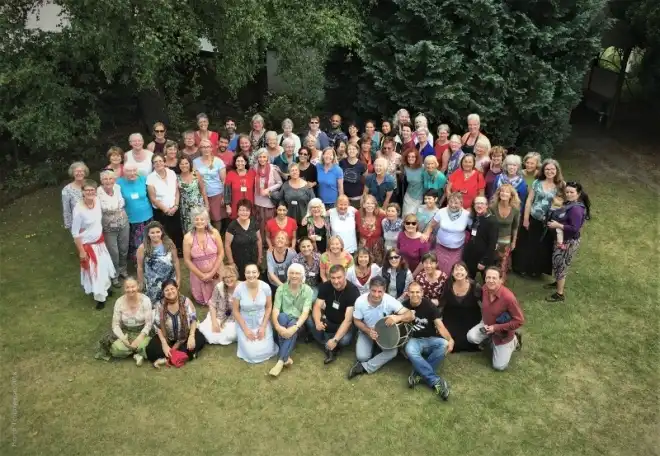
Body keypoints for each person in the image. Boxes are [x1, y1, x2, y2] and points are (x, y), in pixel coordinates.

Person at [348, 276, 413, 379]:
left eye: (380, 292)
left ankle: (364, 367)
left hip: (384, 333)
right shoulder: (360, 301)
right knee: (362, 357)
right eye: (373, 291)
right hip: (366, 331)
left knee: (392, 352)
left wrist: (398, 317)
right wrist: (368, 331)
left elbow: (410, 315)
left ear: (384, 290)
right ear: (369, 288)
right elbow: (356, 321)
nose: (376, 295)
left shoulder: (389, 300)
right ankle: (372, 349)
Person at [513, 159, 565, 278]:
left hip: (549, 221)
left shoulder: (561, 185)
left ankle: (537, 270)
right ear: (543, 170)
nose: (549, 171)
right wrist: (526, 219)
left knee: (542, 246)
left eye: (552, 169)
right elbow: (529, 200)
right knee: (527, 244)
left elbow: (564, 203)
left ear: (557, 170)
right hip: (533, 217)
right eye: (547, 169)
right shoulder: (537, 182)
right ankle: (522, 268)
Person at [467, 267, 524, 371]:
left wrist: (496, 328)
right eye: (488, 277)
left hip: (503, 333)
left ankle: (514, 340)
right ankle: (490, 340)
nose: (491, 280)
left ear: (501, 280)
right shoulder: (484, 288)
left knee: (499, 366)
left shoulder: (509, 298)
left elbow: (519, 321)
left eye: (494, 278)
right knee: (471, 337)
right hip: (486, 324)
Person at [71, 180, 117, 309]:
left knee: (105, 268)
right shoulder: (78, 210)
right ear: (83, 192)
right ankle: (100, 297)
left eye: (92, 190)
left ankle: (106, 289)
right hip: (89, 246)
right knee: (95, 272)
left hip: (100, 242)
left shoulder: (97, 202)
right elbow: (75, 233)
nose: (90, 192)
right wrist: (81, 251)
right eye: (87, 190)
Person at [402, 282, 452, 400]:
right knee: (409, 349)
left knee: (444, 344)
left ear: (422, 293)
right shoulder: (403, 306)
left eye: (417, 292)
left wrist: (450, 340)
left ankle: (418, 374)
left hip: (430, 339)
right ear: (408, 293)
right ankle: (436, 381)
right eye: (412, 292)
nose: (415, 295)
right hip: (413, 340)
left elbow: (440, 326)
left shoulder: (429, 305)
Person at [545, 181, 591, 302]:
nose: (569, 194)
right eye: (567, 192)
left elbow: (574, 228)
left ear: (578, 193)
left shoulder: (576, 209)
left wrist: (557, 225)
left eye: (572, 192)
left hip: (568, 242)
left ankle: (560, 294)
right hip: (563, 240)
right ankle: (557, 282)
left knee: (561, 266)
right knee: (557, 263)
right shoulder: (570, 204)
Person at [146, 279, 206, 367]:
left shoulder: (186, 302)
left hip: (184, 337)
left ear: (177, 288)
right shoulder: (159, 305)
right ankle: (183, 355)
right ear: (163, 292)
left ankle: (167, 358)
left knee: (200, 339)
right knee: (150, 350)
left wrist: (191, 336)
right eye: (167, 290)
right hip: (167, 338)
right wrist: (164, 344)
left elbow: (193, 320)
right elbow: (158, 326)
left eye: (172, 289)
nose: (170, 292)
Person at [307, 264, 360, 363]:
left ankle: (330, 342)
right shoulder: (325, 286)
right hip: (328, 320)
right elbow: (317, 306)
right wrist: (318, 322)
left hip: (343, 323)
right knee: (310, 320)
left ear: (345, 276)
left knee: (345, 341)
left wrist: (335, 339)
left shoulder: (353, 291)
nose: (336, 281)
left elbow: (348, 320)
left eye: (339, 277)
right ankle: (330, 344)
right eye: (333, 278)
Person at [269, 263, 313, 377]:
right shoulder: (281, 289)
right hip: (282, 321)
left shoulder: (308, 290)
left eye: (297, 273)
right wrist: (278, 327)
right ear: (288, 275)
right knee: (282, 317)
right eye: (291, 273)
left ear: (302, 275)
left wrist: (295, 327)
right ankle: (286, 358)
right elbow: (276, 310)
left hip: (298, 322)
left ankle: (280, 361)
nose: (294, 276)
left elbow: (305, 313)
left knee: (292, 323)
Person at [95, 277, 152, 364]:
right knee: (116, 349)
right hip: (126, 332)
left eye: (133, 286)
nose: (130, 290)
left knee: (146, 347)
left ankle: (137, 351)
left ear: (137, 287)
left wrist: (139, 339)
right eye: (127, 287)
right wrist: (123, 339)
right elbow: (115, 324)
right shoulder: (119, 302)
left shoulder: (146, 300)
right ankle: (138, 353)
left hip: (141, 332)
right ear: (124, 289)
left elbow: (148, 324)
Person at [232, 264, 278, 363]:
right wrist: (246, 330)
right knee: (252, 354)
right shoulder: (239, 289)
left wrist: (263, 327)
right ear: (244, 274)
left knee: (268, 350)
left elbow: (269, 307)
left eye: (254, 272)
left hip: (261, 321)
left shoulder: (265, 287)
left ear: (258, 274)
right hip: (245, 322)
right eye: (248, 272)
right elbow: (235, 311)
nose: (251, 275)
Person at [422, 192, 471, 276]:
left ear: (461, 203)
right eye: (451, 202)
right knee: (438, 269)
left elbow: (472, 228)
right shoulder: (441, 211)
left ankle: (448, 287)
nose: (453, 205)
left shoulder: (467, 215)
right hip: (441, 246)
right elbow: (431, 225)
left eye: (456, 203)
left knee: (451, 271)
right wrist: (426, 234)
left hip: (457, 249)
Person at [183, 207, 224, 305]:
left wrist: (212, 273)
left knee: (221, 297)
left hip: (217, 270)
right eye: (196, 219)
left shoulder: (214, 233)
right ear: (193, 221)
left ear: (207, 221)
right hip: (198, 274)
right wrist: (202, 276)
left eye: (202, 219)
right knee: (200, 300)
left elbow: (221, 253)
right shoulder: (188, 237)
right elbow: (187, 260)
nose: (199, 222)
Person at [440, 262, 482, 352]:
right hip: (452, 317)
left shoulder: (475, 286)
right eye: (456, 270)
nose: (459, 272)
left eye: (462, 269)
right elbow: (442, 302)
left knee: (468, 341)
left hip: (470, 317)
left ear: (466, 272)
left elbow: (483, 304)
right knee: (450, 342)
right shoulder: (448, 285)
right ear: (452, 273)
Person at [98, 169, 129, 287]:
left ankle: (123, 269)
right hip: (108, 227)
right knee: (113, 252)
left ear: (114, 179)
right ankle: (114, 274)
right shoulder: (98, 192)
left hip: (123, 223)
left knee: (124, 248)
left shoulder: (117, 188)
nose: (108, 181)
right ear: (101, 181)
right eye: (105, 179)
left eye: (110, 178)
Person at [136, 221, 180, 305]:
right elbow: (140, 267)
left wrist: (178, 279)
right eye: (152, 233)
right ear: (148, 234)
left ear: (161, 232)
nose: (155, 235)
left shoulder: (169, 243)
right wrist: (141, 283)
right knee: (155, 304)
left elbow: (176, 261)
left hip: (170, 279)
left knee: (171, 301)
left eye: (158, 232)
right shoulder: (143, 248)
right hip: (153, 282)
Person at [147, 154, 183, 253]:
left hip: (174, 207)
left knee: (177, 230)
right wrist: (166, 210)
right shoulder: (150, 178)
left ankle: (179, 250)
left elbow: (176, 191)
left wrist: (176, 206)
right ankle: (167, 251)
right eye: (155, 162)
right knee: (164, 232)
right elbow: (153, 198)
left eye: (160, 161)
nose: (158, 163)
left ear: (164, 162)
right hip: (160, 211)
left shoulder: (171, 173)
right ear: (153, 165)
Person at [117, 163, 153, 262]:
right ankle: (139, 262)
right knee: (136, 243)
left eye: (134, 170)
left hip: (148, 215)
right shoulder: (119, 183)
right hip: (132, 218)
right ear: (124, 172)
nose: (132, 173)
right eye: (128, 171)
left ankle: (150, 259)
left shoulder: (143, 179)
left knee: (150, 239)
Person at [199, 264, 240, 345]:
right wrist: (214, 322)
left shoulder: (242, 287)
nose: (229, 279)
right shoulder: (219, 287)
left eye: (231, 276)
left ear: (236, 276)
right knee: (208, 332)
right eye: (226, 278)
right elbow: (212, 304)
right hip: (219, 316)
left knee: (231, 335)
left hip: (235, 319)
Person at [270, 163, 315, 238]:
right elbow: (279, 197)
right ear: (289, 173)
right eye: (292, 170)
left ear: (299, 171)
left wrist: (308, 216)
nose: (294, 172)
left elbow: (313, 202)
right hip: (290, 217)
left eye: (296, 170)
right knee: (292, 239)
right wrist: (269, 193)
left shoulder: (307, 185)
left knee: (307, 241)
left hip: (305, 218)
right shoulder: (286, 185)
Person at [193, 139, 227, 232]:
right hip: (201, 195)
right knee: (203, 218)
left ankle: (216, 238)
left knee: (216, 218)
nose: (206, 149)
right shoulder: (195, 162)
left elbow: (224, 180)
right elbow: (194, 179)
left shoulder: (218, 161)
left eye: (208, 147)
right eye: (203, 147)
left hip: (216, 193)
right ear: (200, 149)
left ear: (212, 148)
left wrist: (224, 196)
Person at [490, 183, 521, 283]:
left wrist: (514, 242)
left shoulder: (515, 210)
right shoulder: (492, 208)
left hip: (506, 241)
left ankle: (500, 282)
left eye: (507, 192)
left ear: (511, 195)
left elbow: (515, 227)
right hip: (493, 239)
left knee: (503, 263)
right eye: (502, 191)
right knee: (492, 261)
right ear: (499, 193)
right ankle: (490, 279)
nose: (504, 193)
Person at [225, 199, 262, 281]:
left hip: (253, 258)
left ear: (250, 211)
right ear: (237, 211)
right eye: (241, 210)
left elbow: (259, 240)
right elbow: (227, 245)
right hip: (238, 260)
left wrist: (259, 256)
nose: (244, 213)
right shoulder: (232, 226)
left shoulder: (254, 223)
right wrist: (231, 262)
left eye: (246, 210)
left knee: (253, 279)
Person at [462, 196, 499, 279]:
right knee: (468, 279)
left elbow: (492, 244)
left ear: (486, 205)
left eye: (482, 203)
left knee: (488, 281)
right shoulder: (475, 218)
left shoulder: (492, 221)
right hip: (471, 256)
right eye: (477, 203)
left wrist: (484, 261)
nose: (479, 206)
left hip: (484, 257)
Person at [253, 148, 283, 244]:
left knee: (269, 223)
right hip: (257, 200)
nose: (262, 159)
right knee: (259, 222)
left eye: (264, 157)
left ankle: (270, 241)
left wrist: (268, 190)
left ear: (267, 158)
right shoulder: (254, 168)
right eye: (260, 157)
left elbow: (279, 183)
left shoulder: (273, 168)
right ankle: (261, 241)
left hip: (269, 201)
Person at [177, 156, 209, 232]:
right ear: (178, 165)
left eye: (186, 163)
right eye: (181, 164)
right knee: (189, 229)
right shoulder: (177, 178)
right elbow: (177, 193)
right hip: (185, 208)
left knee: (202, 226)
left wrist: (207, 204)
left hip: (199, 205)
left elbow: (203, 189)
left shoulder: (196, 174)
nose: (184, 165)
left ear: (190, 164)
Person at [224, 154, 256, 220]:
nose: (240, 163)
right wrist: (227, 206)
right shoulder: (230, 174)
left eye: (242, 161)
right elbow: (227, 191)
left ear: (246, 162)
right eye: (238, 161)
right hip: (235, 205)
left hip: (249, 205)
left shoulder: (252, 173)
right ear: (235, 163)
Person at [356, 194, 386, 264]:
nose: (370, 205)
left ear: (375, 205)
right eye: (368, 203)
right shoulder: (357, 214)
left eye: (372, 203)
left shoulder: (381, 215)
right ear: (363, 205)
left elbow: (392, 217)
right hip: (363, 248)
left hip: (377, 249)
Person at [62, 161, 88, 230]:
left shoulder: (91, 184)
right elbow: (66, 210)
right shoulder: (67, 190)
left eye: (81, 171)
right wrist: (69, 226)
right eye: (76, 171)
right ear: (72, 173)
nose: (79, 173)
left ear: (85, 173)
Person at [339, 143, 367, 208]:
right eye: (349, 149)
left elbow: (366, 181)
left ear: (357, 151)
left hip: (357, 198)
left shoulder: (362, 165)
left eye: (354, 149)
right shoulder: (341, 162)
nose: (351, 151)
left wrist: (364, 195)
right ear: (347, 151)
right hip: (344, 197)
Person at [401, 148, 424, 216]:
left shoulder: (423, 168)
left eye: (413, 156)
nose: (410, 158)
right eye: (409, 156)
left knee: (415, 218)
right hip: (408, 196)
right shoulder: (405, 167)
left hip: (419, 197)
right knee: (406, 217)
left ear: (417, 158)